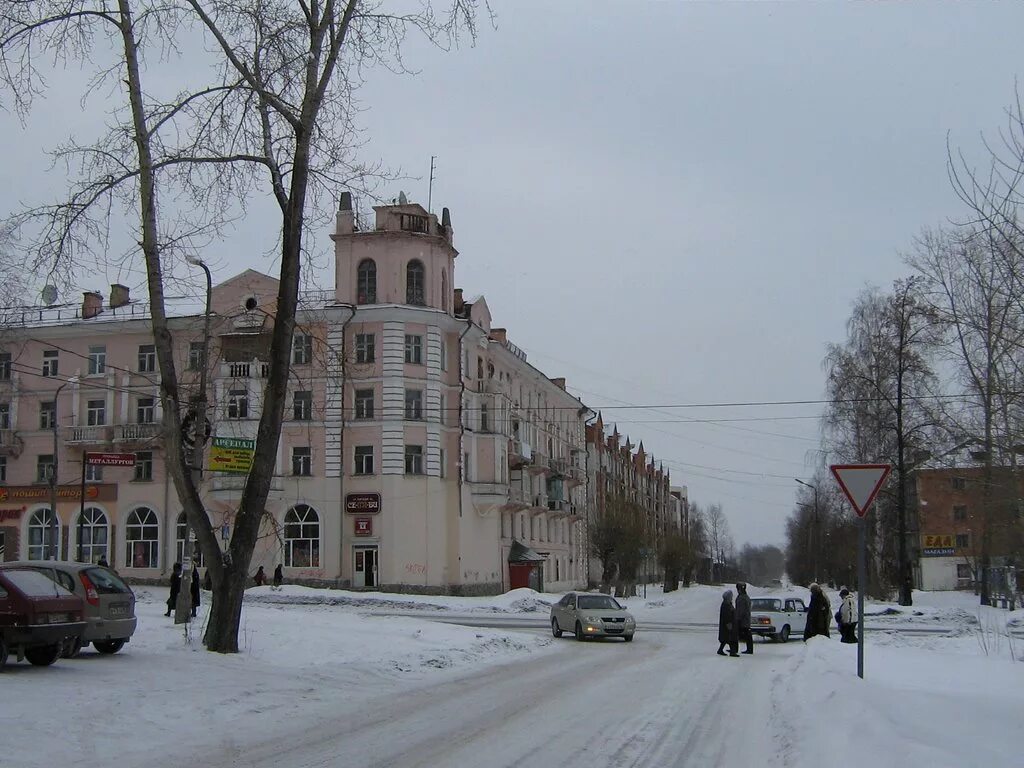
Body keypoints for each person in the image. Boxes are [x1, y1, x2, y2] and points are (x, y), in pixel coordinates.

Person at [718, 589, 740, 657]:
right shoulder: (726, 605)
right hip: (728, 623)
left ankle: (721, 650)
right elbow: (727, 615)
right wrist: (729, 623)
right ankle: (732, 652)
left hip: (728, 623)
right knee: (730, 638)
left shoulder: (727, 604)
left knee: (726, 638)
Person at [735, 582, 753, 654]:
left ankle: (735, 649)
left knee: (743, 634)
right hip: (745, 619)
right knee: (747, 634)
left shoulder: (742, 598)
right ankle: (749, 649)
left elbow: (741, 610)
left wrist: (738, 619)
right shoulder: (744, 596)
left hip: (743, 620)